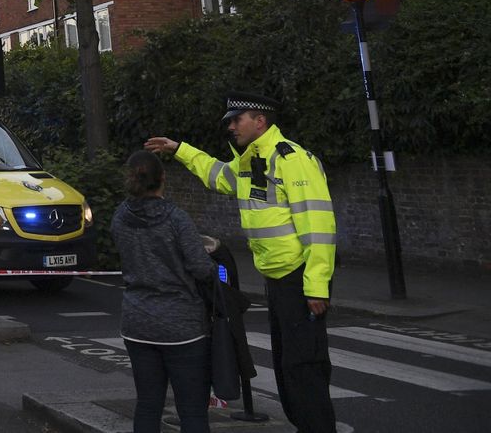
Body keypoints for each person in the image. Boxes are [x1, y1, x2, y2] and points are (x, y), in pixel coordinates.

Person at [147, 91, 337, 433]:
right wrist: (180, 150)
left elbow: (318, 226)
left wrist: (317, 287)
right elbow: (217, 175)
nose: (231, 126)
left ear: (260, 121)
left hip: (300, 279)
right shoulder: (250, 161)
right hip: (278, 280)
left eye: (237, 119)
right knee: (287, 367)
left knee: (304, 367)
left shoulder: (292, 160)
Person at [112, 149, 216, 433]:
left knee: (147, 404)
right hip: (182, 326)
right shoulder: (176, 218)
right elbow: (200, 267)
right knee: (192, 410)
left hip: (137, 322)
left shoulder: (120, 216)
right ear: (163, 178)